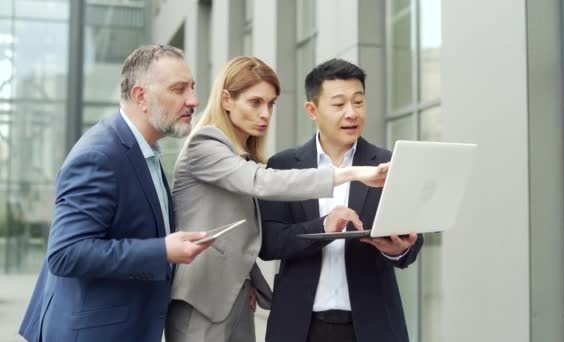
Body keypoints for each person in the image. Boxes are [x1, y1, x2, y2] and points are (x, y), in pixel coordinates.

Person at [164, 56, 388, 342]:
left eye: (271, 104)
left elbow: (232, 232)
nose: (265, 114)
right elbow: (262, 182)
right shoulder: (204, 145)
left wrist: (248, 280)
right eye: (255, 102)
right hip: (202, 302)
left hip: (236, 299)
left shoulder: (240, 156)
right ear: (226, 100)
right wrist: (350, 173)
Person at [18, 45, 214, 342]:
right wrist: (162, 251)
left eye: (193, 87)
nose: (194, 100)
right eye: (179, 89)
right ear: (140, 97)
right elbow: (65, 253)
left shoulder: (143, 151)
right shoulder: (100, 155)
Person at [259, 58, 425, 342]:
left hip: (373, 326)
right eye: (339, 104)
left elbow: (412, 243)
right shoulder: (284, 165)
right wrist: (324, 226)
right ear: (312, 110)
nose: (352, 113)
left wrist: (399, 248)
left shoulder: (388, 164)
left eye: (358, 102)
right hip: (299, 326)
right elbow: (269, 242)